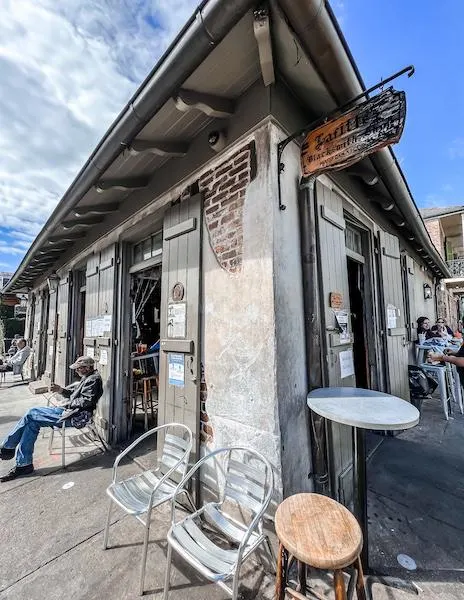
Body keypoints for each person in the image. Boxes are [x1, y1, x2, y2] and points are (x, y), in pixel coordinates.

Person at [0, 356, 103, 482]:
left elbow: (87, 401)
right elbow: (75, 395)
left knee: (31, 414)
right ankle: (23, 463)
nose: (76, 371)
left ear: (87, 368)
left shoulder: (93, 379)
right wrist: (61, 390)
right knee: (31, 423)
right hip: (71, 411)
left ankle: (9, 449)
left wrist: (67, 403)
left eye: (78, 369)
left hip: (77, 416)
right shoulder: (87, 377)